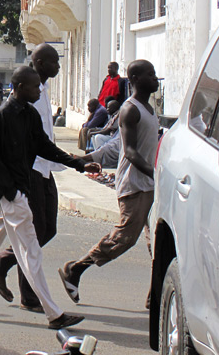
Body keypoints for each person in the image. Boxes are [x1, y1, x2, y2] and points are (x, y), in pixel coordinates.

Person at [0, 65, 100, 329]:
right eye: (33, 86)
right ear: (18, 87)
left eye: (39, 85)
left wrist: (78, 163)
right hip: (12, 195)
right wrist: (8, 195)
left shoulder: (29, 114)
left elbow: (43, 147)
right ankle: (54, 314)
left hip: (17, 194)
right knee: (31, 252)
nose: (39, 90)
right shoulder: (2, 117)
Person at [59, 59, 160, 304]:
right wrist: (157, 173)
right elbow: (130, 152)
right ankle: (75, 269)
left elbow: (117, 145)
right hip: (135, 185)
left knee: (157, 242)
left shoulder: (149, 108)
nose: (155, 78)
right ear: (135, 79)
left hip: (149, 184)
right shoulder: (130, 109)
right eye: (150, 74)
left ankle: (155, 296)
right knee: (124, 238)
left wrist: (88, 158)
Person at [0, 43, 64, 313]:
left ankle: (1, 263)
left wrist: (74, 161)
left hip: (45, 168)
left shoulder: (40, 91)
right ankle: (28, 295)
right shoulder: (26, 94)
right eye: (55, 62)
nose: (58, 66)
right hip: (30, 171)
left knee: (48, 229)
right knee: (35, 231)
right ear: (40, 63)